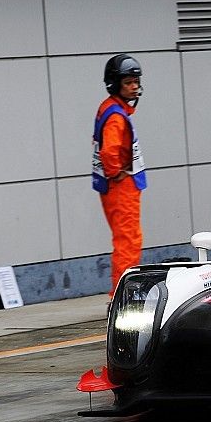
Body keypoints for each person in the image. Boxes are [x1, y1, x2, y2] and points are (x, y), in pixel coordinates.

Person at [93, 54, 147, 298]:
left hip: (116, 187)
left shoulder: (110, 108)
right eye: (128, 82)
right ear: (116, 84)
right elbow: (109, 152)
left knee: (126, 239)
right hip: (121, 187)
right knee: (129, 241)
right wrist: (116, 173)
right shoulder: (116, 115)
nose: (134, 86)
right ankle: (121, 296)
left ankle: (121, 293)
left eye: (136, 81)